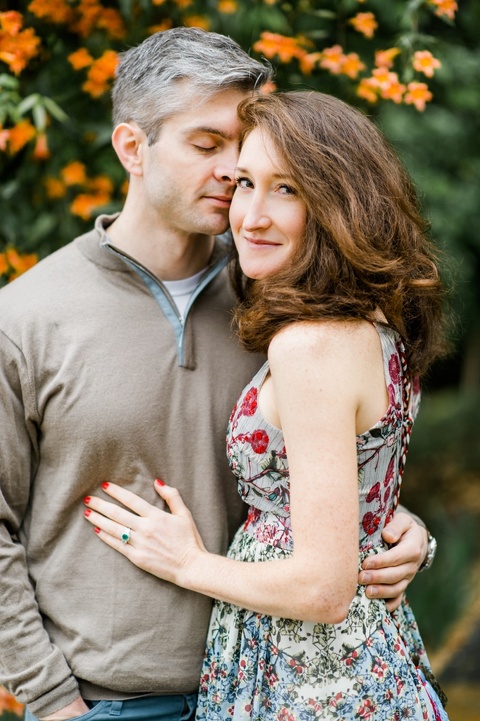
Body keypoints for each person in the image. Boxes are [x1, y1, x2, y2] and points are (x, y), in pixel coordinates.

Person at [0, 28, 430, 721]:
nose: (233, 170)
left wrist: (393, 523)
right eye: (208, 144)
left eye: (246, 145)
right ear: (132, 148)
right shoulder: (24, 318)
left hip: (275, 685)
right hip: (113, 703)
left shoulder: (283, 297)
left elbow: (314, 468)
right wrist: (51, 702)